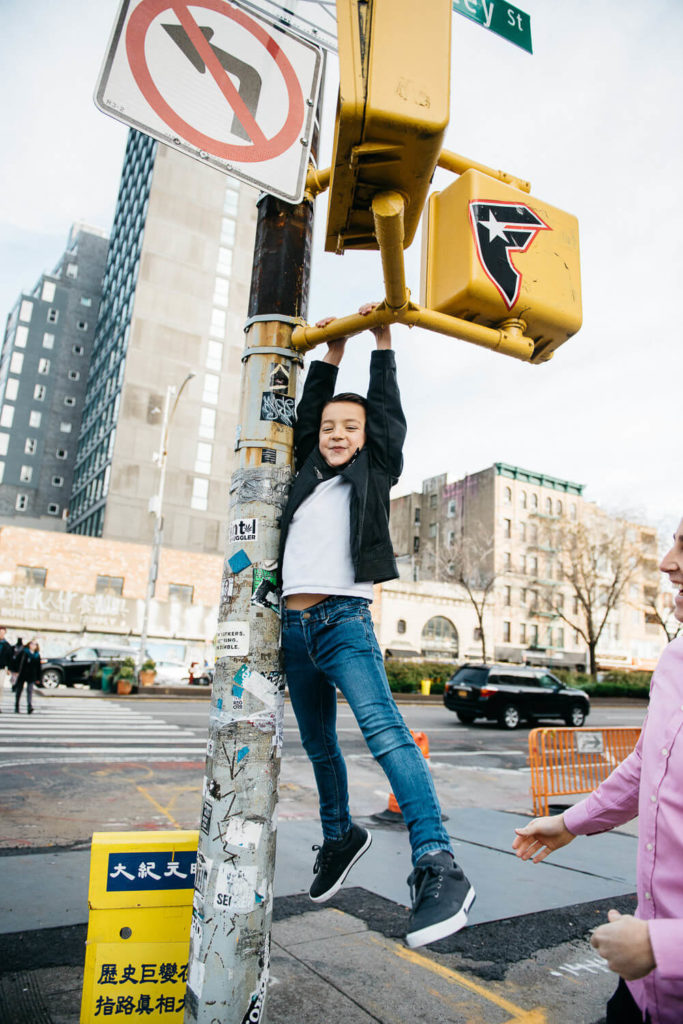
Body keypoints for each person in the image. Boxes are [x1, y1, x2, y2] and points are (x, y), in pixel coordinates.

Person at [278, 302, 475, 948]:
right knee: (316, 745)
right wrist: (328, 355)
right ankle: (339, 836)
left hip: (343, 620)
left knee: (386, 736)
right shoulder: (306, 471)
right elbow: (309, 412)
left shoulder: (373, 469)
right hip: (292, 629)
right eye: (331, 425)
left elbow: (387, 411)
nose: (336, 434)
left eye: (349, 428)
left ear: (366, 439)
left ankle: (437, 861)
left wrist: (379, 340)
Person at [511, 518, 683, 1024]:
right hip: (644, 991)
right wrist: (569, 823)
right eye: (673, 541)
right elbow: (647, 764)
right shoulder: (674, 660)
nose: (667, 562)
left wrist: (664, 945)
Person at [14, 638, 41, 714]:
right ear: (29, 645)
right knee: (19, 690)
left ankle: (29, 706)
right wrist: (16, 671)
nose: (33, 646)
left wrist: (38, 678)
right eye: (32, 644)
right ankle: (17, 705)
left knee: (30, 691)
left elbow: (38, 667)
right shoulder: (24, 652)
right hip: (23, 674)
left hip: (31, 675)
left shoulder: (37, 655)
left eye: (35, 644)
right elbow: (17, 661)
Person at [0, 626, 12, 712]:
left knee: (0, 687)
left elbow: (9, 657)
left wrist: (9, 669)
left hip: (1, 668)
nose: (1, 634)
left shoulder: (7, 645)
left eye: (2, 632)